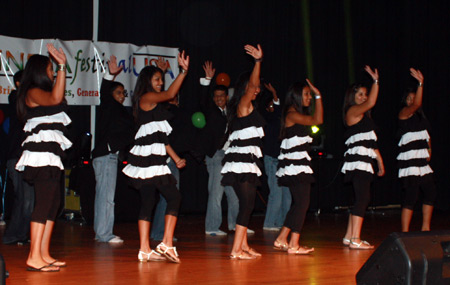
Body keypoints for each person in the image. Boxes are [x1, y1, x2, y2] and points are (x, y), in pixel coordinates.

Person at [122, 51, 189, 263]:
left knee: (149, 202)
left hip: (153, 159)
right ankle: (166, 243)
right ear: (147, 82)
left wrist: (176, 158)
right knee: (173, 197)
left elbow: (162, 139)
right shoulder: (146, 98)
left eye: (161, 79)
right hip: (149, 161)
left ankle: (144, 249)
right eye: (157, 79)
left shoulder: (154, 105)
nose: (160, 83)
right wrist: (183, 72)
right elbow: (170, 94)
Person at [15, 44, 71, 272]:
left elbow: (56, 97)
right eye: (49, 69)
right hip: (40, 156)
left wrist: (60, 69)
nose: (52, 73)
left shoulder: (43, 92)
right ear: (39, 71)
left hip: (50, 154)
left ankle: (43, 253)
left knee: (53, 203)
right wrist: (62, 66)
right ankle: (33, 256)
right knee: (44, 203)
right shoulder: (32, 91)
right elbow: (57, 97)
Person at [221, 44, 264, 260]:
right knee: (247, 205)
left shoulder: (245, 107)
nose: (257, 90)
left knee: (246, 205)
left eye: (257, 88)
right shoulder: (244, 104)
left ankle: (243, 245)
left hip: (242, 162)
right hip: (240, 163)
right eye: (252, 87)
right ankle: (236, 249)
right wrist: (257, 62)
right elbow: (252, 85)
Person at [274, 80, 323, 254]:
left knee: (299, 203)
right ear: (296, 96)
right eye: (306, 94)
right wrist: (319, 95)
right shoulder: (291, 114)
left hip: (297, 164)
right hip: (294, 165)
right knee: (302, 203)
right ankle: (293, 244)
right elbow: (318, 119)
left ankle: (282, 238)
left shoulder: (295, 114)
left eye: (310, 94)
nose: (309, 97)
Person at [92, 55, 134, 243]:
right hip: (105, 155)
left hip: (111, 156)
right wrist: (110, 75)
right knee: (106, 197)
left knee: (105, 195)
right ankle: (104, 233)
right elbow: (104, 92)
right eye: (118, 92)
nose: (122, 95)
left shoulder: (122, 112)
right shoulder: (109, 106)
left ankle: (101, 231)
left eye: (124, 93)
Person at [341, 66, 385, 249]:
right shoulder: (352, 112)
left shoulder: (365, 119)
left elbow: (371, 143)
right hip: (357, 161)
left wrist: (380, 163)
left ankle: (349, 236)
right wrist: (376, 81)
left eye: (365, 94)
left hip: (365, 162)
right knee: (362, 198)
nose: (364, 98)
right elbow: (372, 102)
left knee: (359, 198)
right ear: (352, 97)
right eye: (360, 94)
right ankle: (355, 240)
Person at [199, 61, 239, 236]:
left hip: (230, 155)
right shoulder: (211, 111)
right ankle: (212, 227)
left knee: (234, 194)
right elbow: (202, 99)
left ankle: (235, 224)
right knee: (216, 193)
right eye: (215, 96)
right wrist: (207, 79)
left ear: (227, 97)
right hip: (215, 155)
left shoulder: (231, 112)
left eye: (221, 96)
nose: (218, 99)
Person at [397, 68, 435, 232]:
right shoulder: (404, 113)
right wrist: (421, 83)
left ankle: (425, 228)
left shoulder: (422, 118)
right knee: (411, 197)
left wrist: (429, 149)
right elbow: (417, 104)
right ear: (405, 101)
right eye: (409, 98)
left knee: (431, 193)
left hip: (422, 161)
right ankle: (404, 233)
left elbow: (427, 135)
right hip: (410, 162)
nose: (412, 101)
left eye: (414, 98)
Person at [2, 70, 36, 245]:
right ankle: (13, 235)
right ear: (17, 83)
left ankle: (20, 235)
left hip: (27, 156)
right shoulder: (16, 97)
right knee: (23, 198)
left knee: (27, 198)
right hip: (16, 157)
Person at [261, 82, 291, 232]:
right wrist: (274, 95)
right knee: (276, 193)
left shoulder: (281, 119)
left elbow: (280, 113)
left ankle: (282, 223)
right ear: (267, 107)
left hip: (283, 160)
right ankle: (269, 223)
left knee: (287, 196)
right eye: (271, 105)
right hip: (272, 159)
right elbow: (276, 112)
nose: (274, 107)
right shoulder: (268, 117)